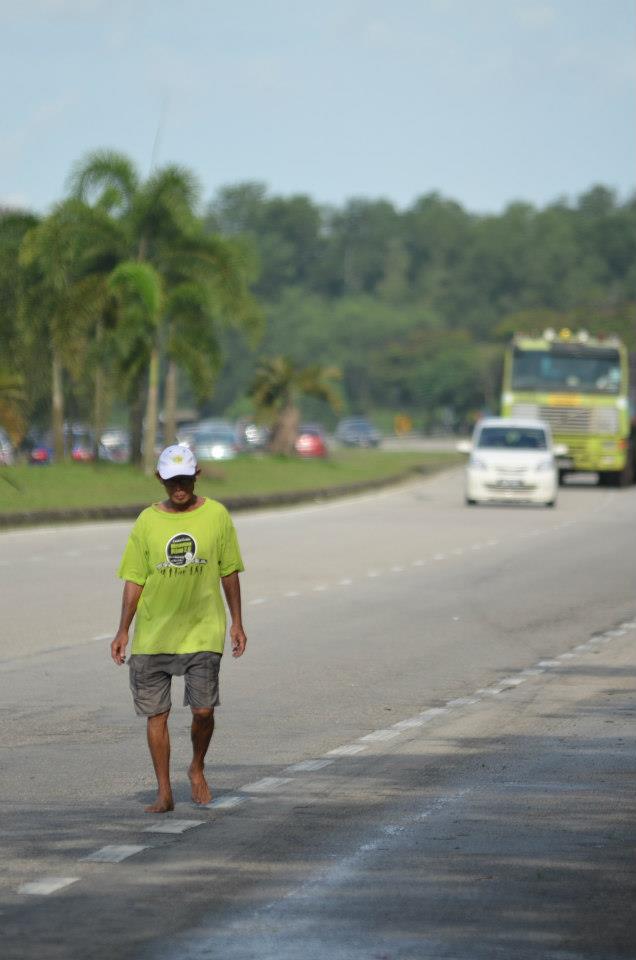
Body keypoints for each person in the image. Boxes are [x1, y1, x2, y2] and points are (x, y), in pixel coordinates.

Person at [110, 444, 247, 813]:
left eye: (185, 479)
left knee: (203, 711)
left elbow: (229, 571)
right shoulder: (146, 521)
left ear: (197, 475)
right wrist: (123, 630)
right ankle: (164, 792)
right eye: (172, 480)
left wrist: (237, 621)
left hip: (203, 629)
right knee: (157, 715)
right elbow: (134, 579)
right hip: (153, 633)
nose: (179, 486)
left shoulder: (216, 515)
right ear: (160, 479)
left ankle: (197, 766)